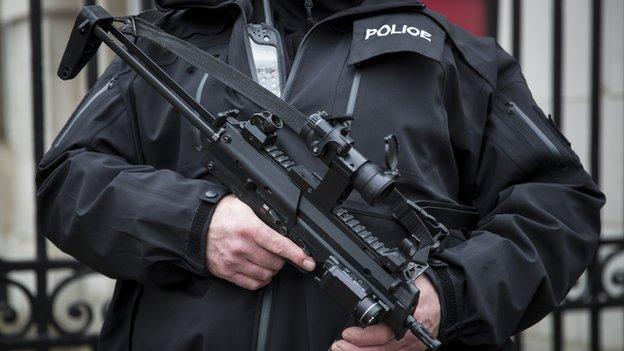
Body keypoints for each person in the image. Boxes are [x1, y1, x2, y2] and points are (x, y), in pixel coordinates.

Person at [36, 1, 604, 350]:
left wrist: (448, 296)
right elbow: (66, 181)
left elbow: (559, 203)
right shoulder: (169, 44)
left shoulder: (452, 58)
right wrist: (195, 222)